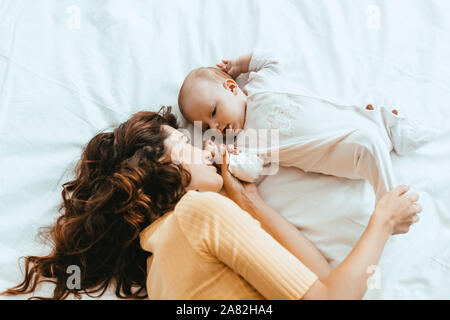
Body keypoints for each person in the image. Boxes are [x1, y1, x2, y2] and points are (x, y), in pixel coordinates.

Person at [0, 107, 422, 300]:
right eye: (185, 142)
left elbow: (319, 280)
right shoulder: (199, 213)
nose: (204, 147)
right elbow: (330, 299)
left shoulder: (157, 270)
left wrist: (249, 200)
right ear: (160, 167)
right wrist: (381, 221)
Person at [178, 49, 437, 200]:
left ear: (232, 87)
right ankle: (390, 202)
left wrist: (240, 63)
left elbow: (273, 60)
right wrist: (230, 161)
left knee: (375, 104)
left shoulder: (262, 83)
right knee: (368, 143)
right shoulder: (248, 141)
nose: (216, 124)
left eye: (214, 111)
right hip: (343, 154)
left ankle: (397, 132)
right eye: (207, 126)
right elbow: (252, 170)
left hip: (353, 119)